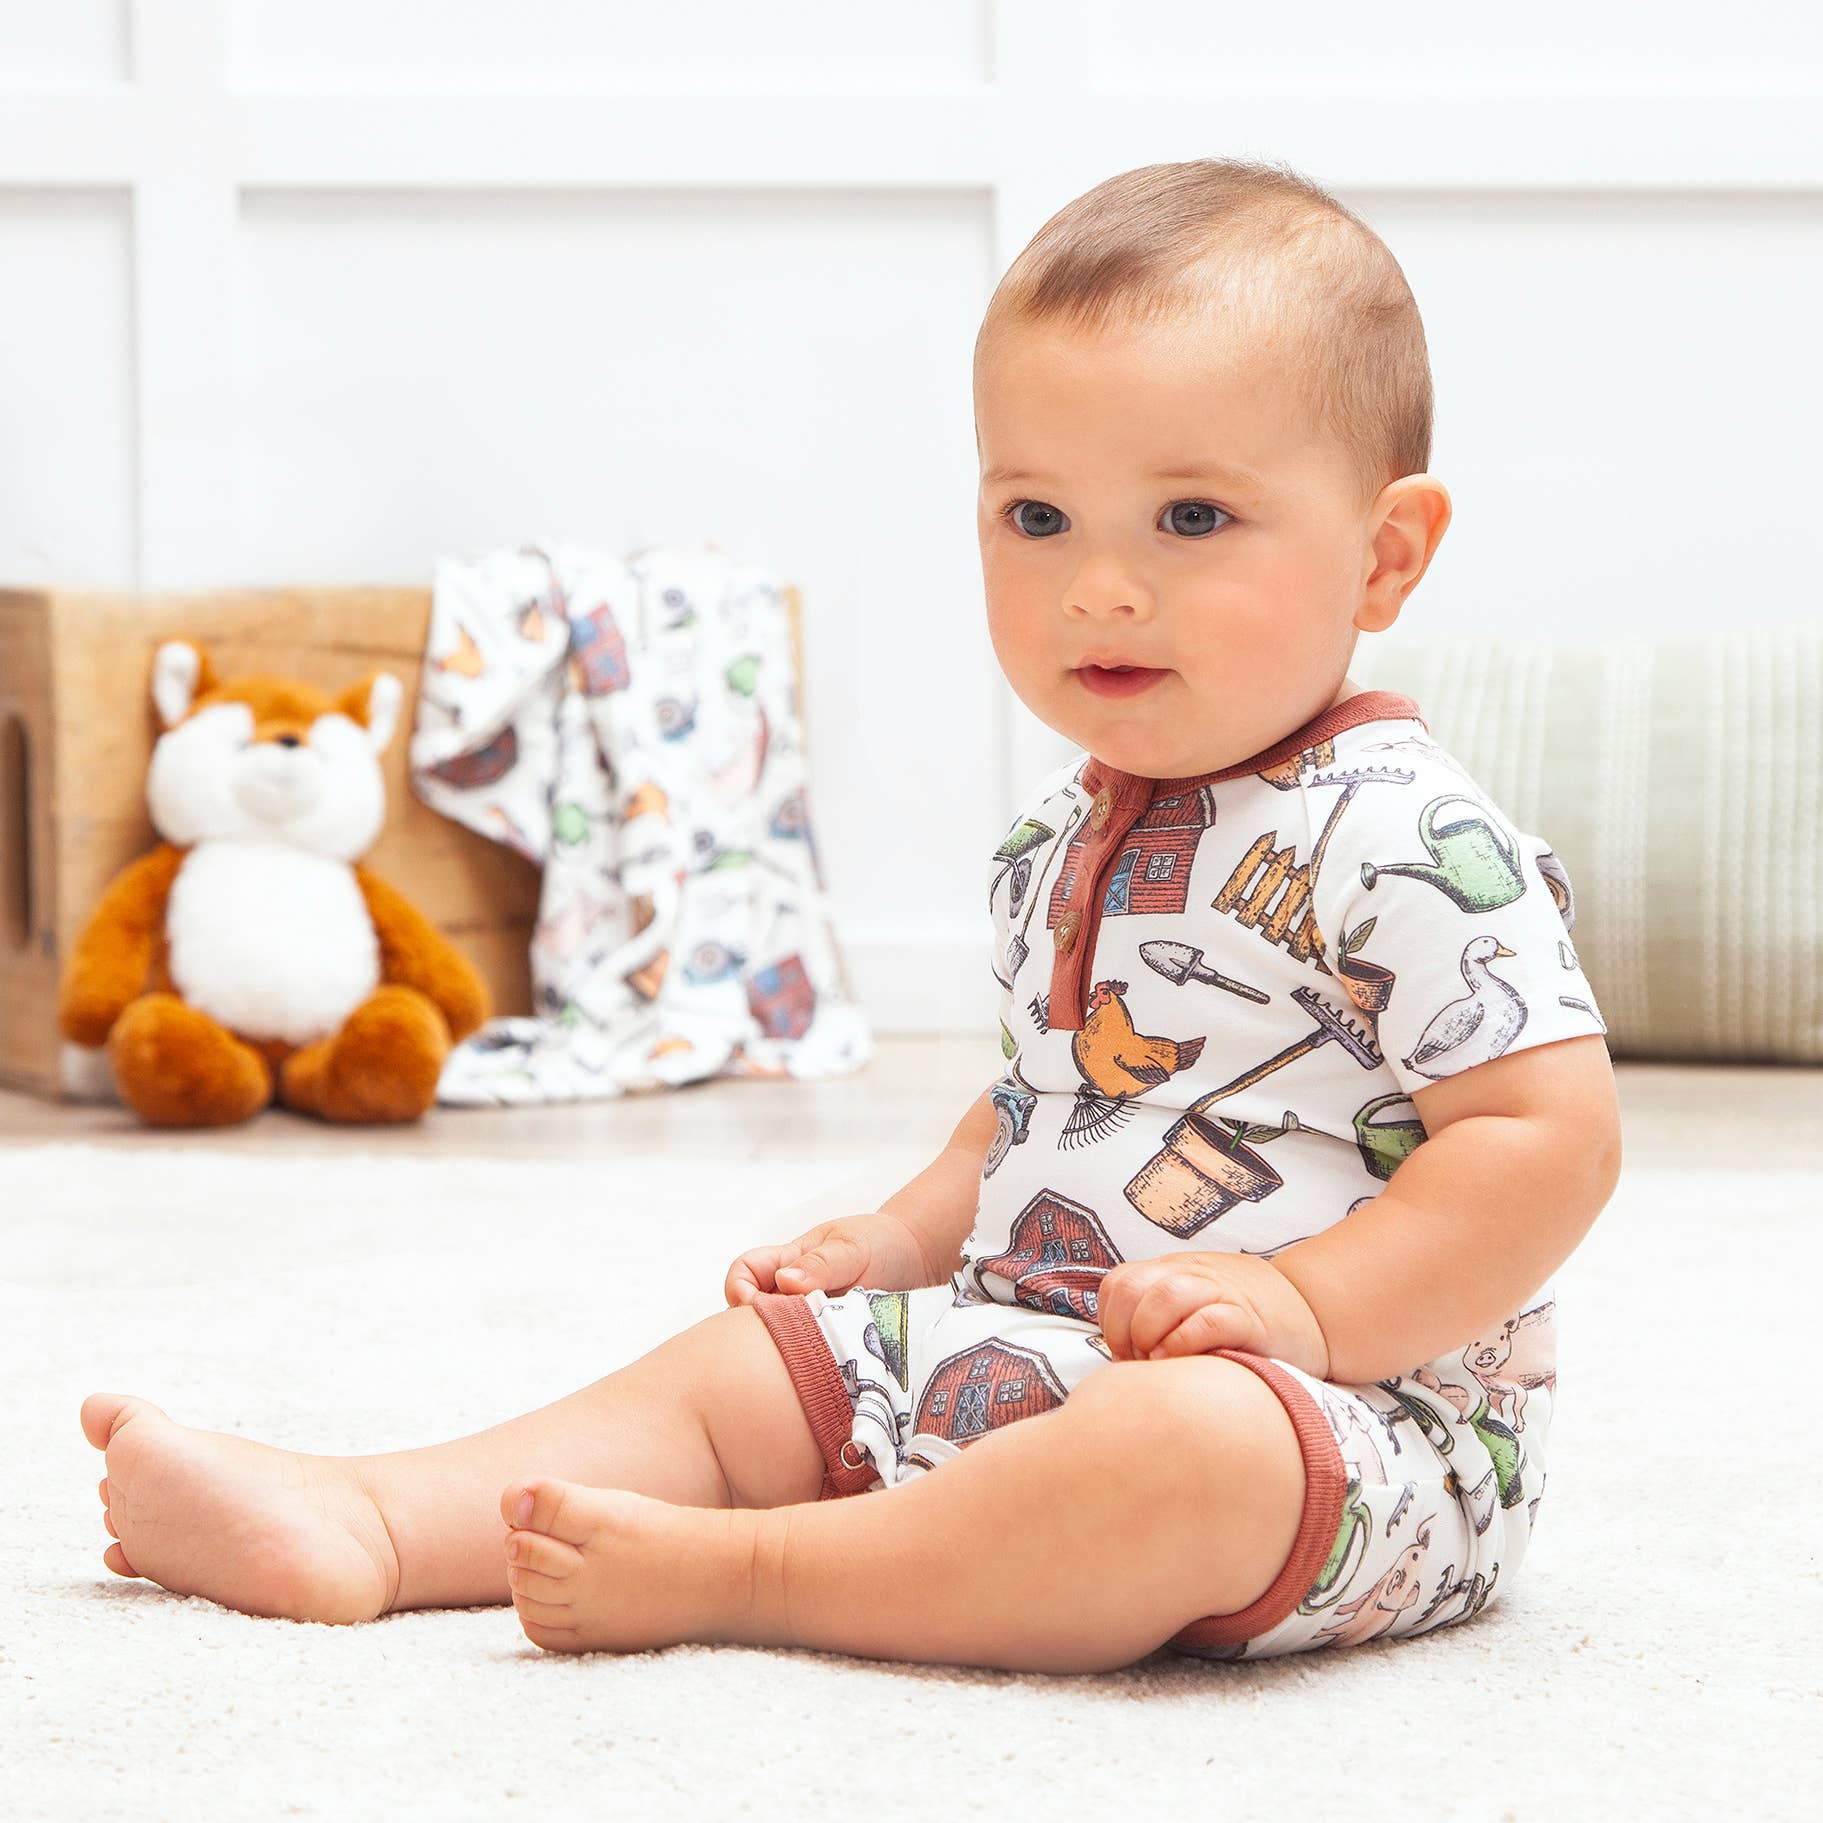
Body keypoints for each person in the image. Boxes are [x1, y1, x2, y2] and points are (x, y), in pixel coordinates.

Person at [78, 156, 1622, 1675]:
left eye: (1193, 520)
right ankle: (378, 1520)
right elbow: (1037, 1107)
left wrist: (1300, 1307)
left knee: (1180, 1455)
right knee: (757, 1372)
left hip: (1354, 1435)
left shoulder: (1411, 836)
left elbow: (1546, 1144)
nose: (1098, 586)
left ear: (1386, 553)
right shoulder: (1058, 837)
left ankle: (758, 1575)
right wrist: (892, 1240)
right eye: (1037, 518)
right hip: (1045, 1347)